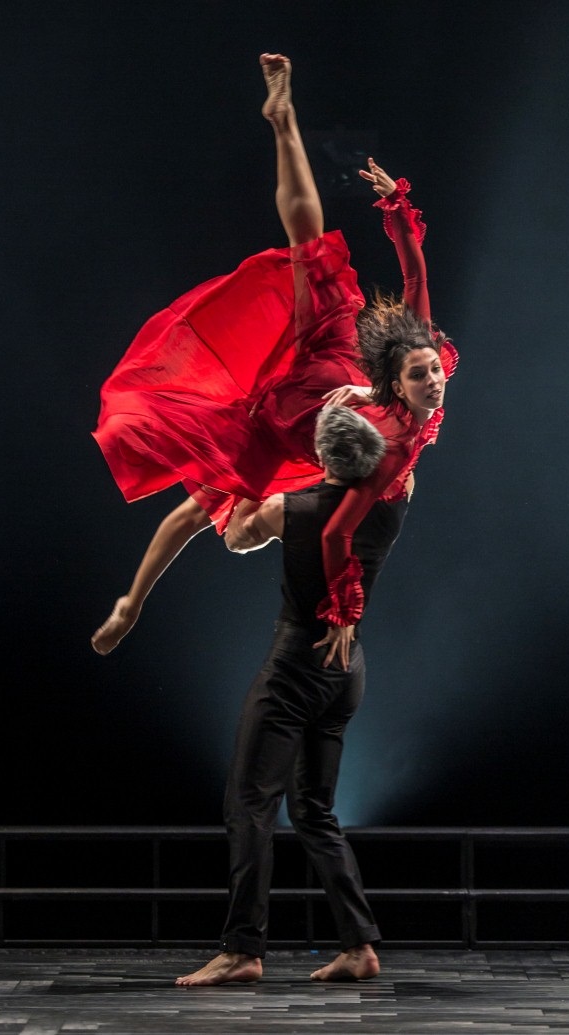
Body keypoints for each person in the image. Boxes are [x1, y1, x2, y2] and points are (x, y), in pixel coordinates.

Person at [91, 53, 456, 666]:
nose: (433, 380)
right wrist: (396, 208)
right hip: (319, 386)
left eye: (432, 373)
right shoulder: (401, 425)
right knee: (307, 246)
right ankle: (282, 120)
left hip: (305, 402)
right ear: (401, 379)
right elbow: (340, 532)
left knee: (308, 246)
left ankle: (131, 603)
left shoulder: (404, 403)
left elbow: (416, 279)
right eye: (424, 373)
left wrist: (398, 208)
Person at [175, 404, 409, 986]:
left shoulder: (291, 509)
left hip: (295, 666)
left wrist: (249, 465)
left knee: (249, 804)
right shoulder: (394, 502)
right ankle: (358, 945)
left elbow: (234, 536)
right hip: (346, 669)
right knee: (313, 810)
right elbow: (411, 440)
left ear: (320, 455)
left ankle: (242, 949)